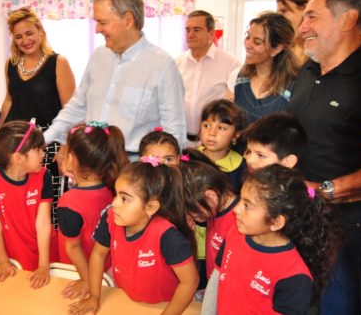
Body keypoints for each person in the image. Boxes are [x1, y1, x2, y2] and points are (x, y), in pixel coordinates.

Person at [287, 0, 361, 315]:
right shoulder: (308, 70)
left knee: (339, 307)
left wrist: (328, 189)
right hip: (301, 211)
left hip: (351, 219)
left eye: (312, 17)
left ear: (347, 19)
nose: (303, 28)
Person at [44, 0, 187, 157]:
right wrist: (45, 138)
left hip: (135, 169)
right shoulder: (98, 57)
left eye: (102, 22)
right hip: (93, 164)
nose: (97, 29)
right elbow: (77, 107)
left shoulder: (162, 64)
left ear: (128, 20)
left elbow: (174, 129)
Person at [203, 165, 338, 314]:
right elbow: (216, 280)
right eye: (241, 199)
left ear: (276, 222)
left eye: (247, 205)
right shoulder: (234, 233)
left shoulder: (293, 275)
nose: (237, 209)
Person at [69, 159, 198, 314]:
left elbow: (190, 282)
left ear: (150, 207)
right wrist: (94, 296)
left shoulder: (167, 236)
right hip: (125, 298)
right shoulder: (111, 218)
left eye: (124, 199)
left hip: (166, 305)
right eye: (115, 194)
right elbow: (98, 254)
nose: (115, 203)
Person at [0, 7, 76, 224]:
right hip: (16, 144)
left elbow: (70, 108)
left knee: (47, 204)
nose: (25, 40)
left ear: (40, 32)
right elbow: (9, 100)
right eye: (19, 36)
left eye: (29, 33)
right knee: (19, 201)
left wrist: (66, 145)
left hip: (47, 143)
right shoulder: (11, 64)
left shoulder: (58, 62)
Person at [0, 120, 56, 288]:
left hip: (46, 254)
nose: (43, 154)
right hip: (14, 256)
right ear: (18, 157)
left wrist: (43, 266)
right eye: (38, 150)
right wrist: (3, 262)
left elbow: (43, 223)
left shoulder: (43, 175)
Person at [57, 121, 128, 300]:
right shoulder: (114, 188)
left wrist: (86, 279)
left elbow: (73, 247)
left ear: (72, 159)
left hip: (77, 273)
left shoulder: (69, 202)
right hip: (108, 269)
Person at [175, 10, 242, 143]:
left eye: (197, 30)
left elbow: (235, 107)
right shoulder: (177, 63)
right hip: (181, 139)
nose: (190, 35)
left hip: (213, 143)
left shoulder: (231, 64)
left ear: (211, 33)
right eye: (187, 30)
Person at [180, 159, 237, 292]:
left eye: (192, 210)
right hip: (213, 289)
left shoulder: (240, 222)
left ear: (211, 197)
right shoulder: (214, 210)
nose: (191, 215)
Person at [234, 13, 299, 125]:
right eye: (248, 37)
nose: (247, 44)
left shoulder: (293, 85)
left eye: (257, 42)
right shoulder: (243, 77)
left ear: (276, 49)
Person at [197, 99, 246, 194]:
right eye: (206, 126)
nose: (212, 133)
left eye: (221, 128)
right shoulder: (190, 158)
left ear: (236, 134)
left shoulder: (242, 167)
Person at [277, 0, 309, 65]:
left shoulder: (320, 48)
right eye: (277, 12)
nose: (278, 16)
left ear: (305, 8)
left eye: (284, 11)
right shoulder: (282, 48)